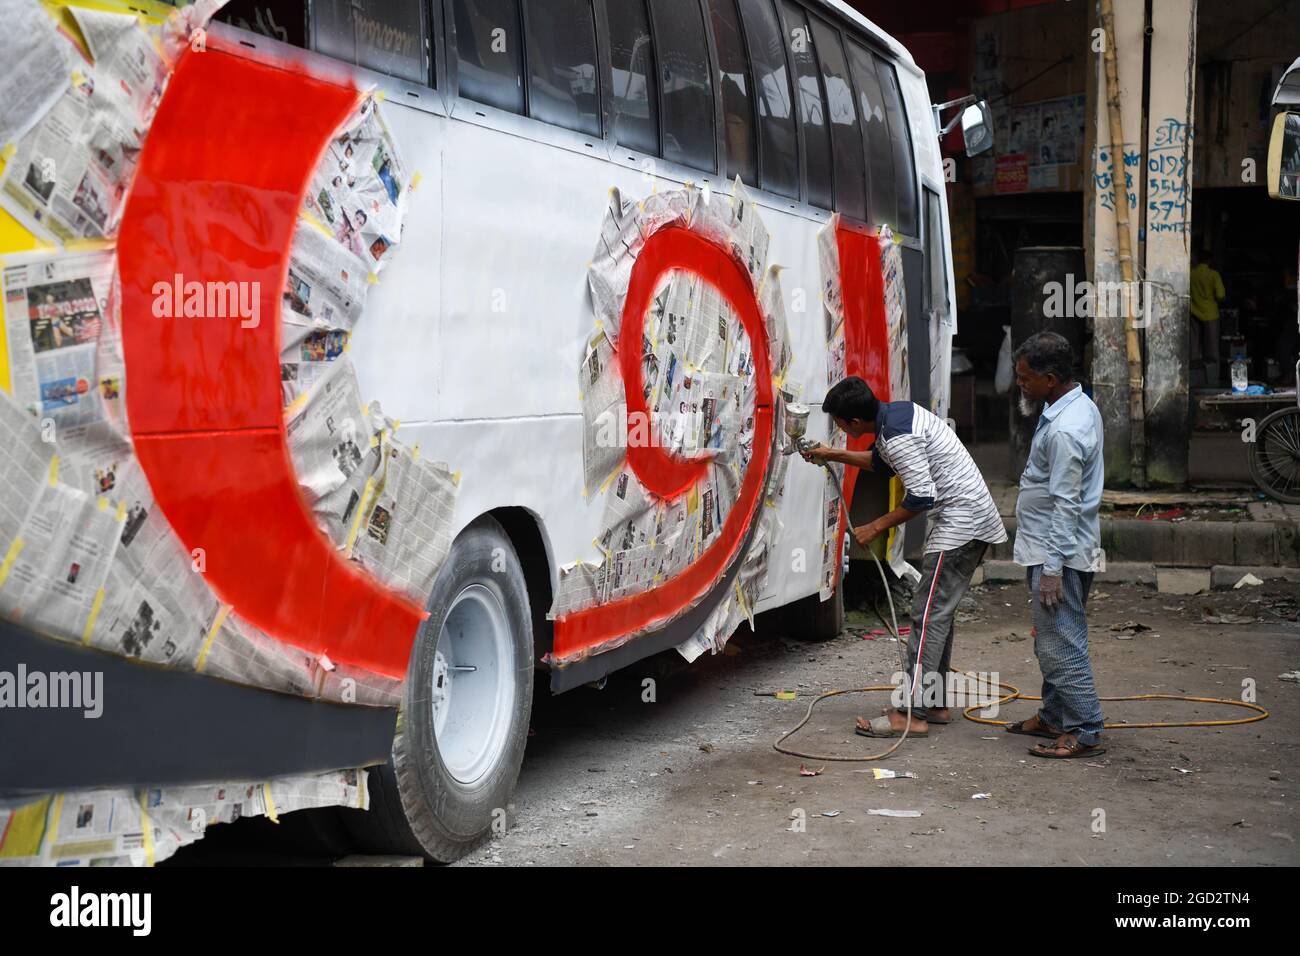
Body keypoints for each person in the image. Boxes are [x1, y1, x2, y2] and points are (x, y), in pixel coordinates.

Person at [804, 376, 1006, 739]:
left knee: (927, 616)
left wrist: (874, 527)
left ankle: (912, 714)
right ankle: (935, 702)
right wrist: (831, 454)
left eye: (838, 425)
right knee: (937, 614)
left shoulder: (896, 436)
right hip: (970, 519)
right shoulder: (896, 416)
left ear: (853, 423)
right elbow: (883, 464)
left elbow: (921, 496)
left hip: (961, 524)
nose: (838, 430)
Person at [1008, 332, 1106, 759]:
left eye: (1025, 378)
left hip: (1059, 552)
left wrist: (1052, 570)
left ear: (1050, 379)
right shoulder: (1071, 408)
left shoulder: (1066, 429)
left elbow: (1067, 504)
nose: (1020, 385)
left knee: (1059, 642)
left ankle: (1084, 728)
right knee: (1056, 636)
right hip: (1058, 548)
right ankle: (1053, 715)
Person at [1189, 250, 1225, 385]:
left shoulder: (1191, 274)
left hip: (1194, 313)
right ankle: (1213, 379)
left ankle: (1194, 379)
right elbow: (1221, 295)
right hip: (1211, 314)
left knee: (1194, 349)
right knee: (1212, 350)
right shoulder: (1213, 275)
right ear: (1210, 261)